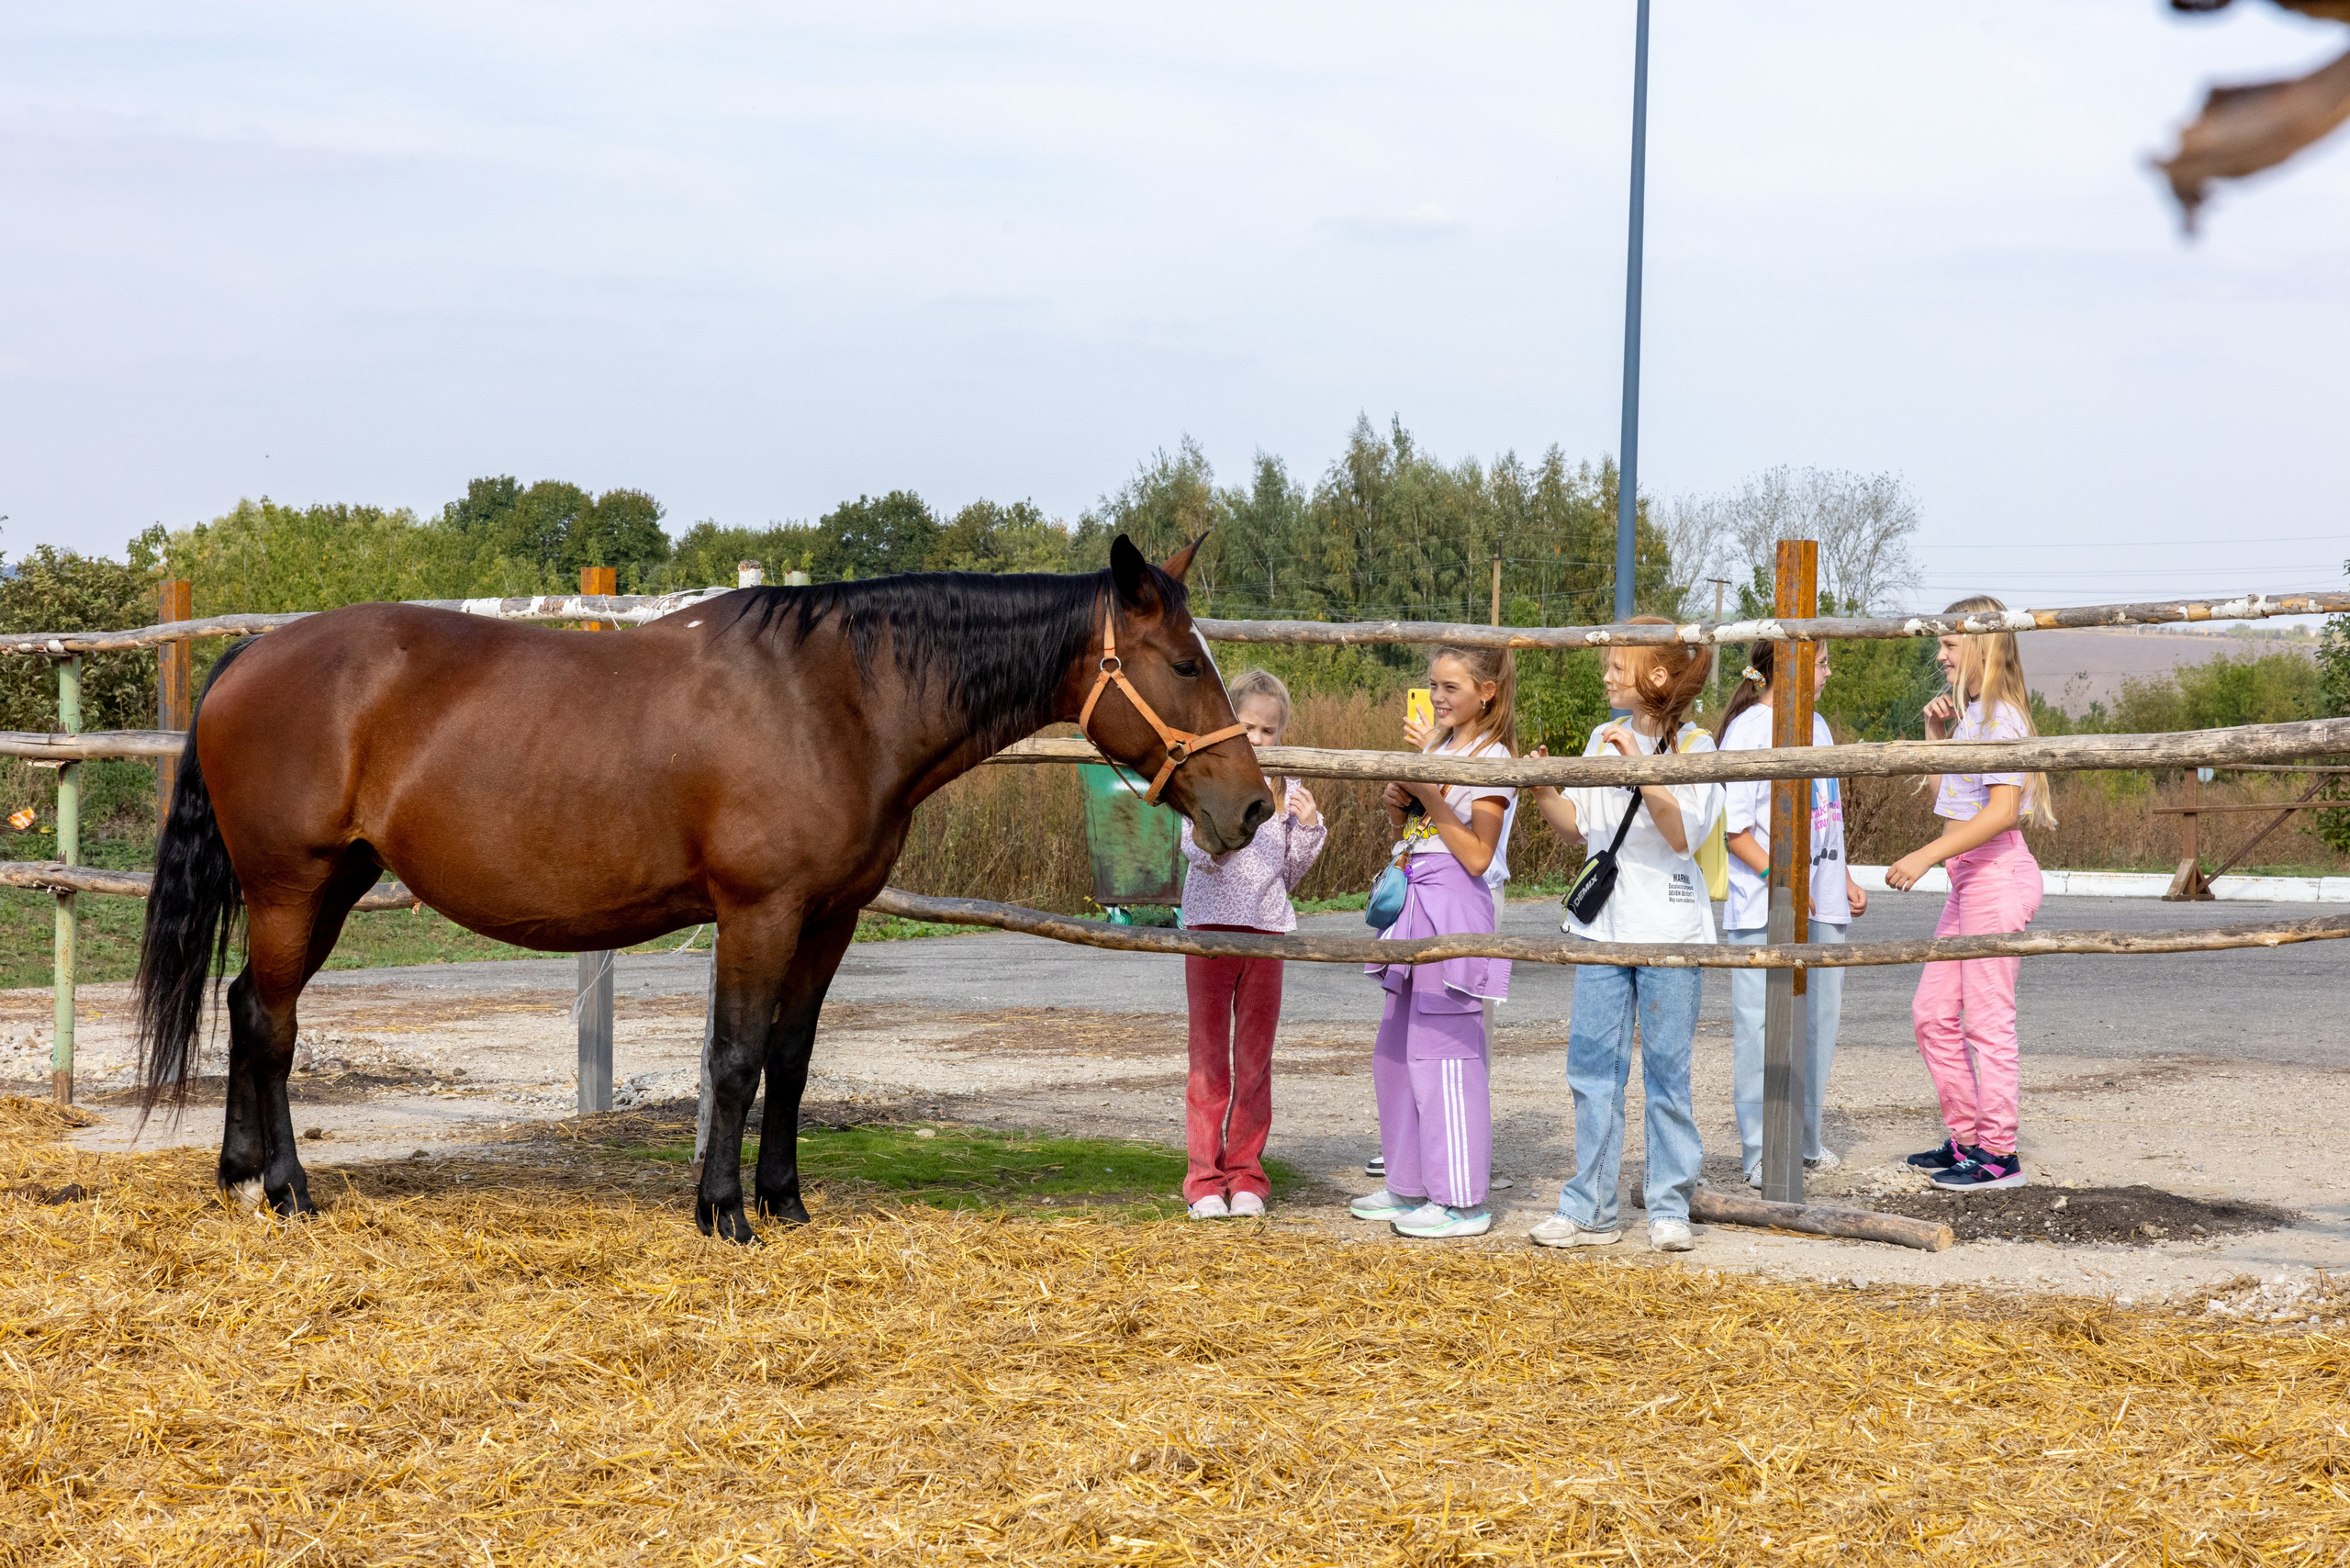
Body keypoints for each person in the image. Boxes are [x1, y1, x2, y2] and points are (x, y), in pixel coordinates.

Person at [1522, 622, 1721, 1253]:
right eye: (1606, 664)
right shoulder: (1598, 740)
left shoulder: (1699, 745)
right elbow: (1582, 827)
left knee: (1667, 1072)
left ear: (1658, 677)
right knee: (1592, 1072)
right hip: (1602, 928)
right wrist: (1546, 791)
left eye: (1617, 665)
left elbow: (1682, 835)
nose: (1606, 675)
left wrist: (1641, 771)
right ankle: (1590, 1208)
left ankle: (1669, 1206)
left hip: (1670, 928)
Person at [1348, 644, 1518, 1240]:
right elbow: (1419, 835)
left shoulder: (1493, 758)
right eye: (1434, 685)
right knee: (1396, 1051)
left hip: (1454, 911)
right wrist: (1401, 807)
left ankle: (1462, 1200)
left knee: (1445, 1052)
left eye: (1451, 686)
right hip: (1413, 906)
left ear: (1487, 691)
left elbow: (1476, 854)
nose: (1439, 696)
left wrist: (1432, 792)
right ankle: (1410, 1183)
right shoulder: (1440, 749)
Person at [1886, 596, 2054, 1193]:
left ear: (1984, 645)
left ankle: (2000, 1154)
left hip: (1997, 878)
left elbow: (2004, 813)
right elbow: (1953, 801)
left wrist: (1927, 854)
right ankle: (1966, 1139)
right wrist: (1936, 735)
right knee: (1932, 1014)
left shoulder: (2003, 718)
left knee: (1987, 1021)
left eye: (1950, 645)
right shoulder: (1973, 718)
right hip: (1967, 881)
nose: (1940, 655)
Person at [1714, 641, 1867, 1187]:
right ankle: (1759, 1149)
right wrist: (1780, 881)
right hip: (1763, 906)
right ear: (1793, 668)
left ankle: (1804, 1140)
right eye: (1823, 662)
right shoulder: (1750, 731)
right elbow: (1734, 832)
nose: (1830, 671)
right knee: (1759, 1027)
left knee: (1817, 1023)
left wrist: (1841, 875)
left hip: (1821, 899)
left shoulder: (1819, 727)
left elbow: (1827, 816)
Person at [1177, 669, 1326, 1220]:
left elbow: (1289, 873)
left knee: (1255, 1060)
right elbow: (1195, 850)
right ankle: (1203, 1179)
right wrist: (1219, 839)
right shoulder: (1210, 779)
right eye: (1248, 727)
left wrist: (1307, 828)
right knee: (1209, 1059)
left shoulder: (1286, 791)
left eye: (1268, 731)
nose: (1258, 740)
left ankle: (1246, 1175)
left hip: (1267, 932)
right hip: (1211, 931)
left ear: (1281, 733)